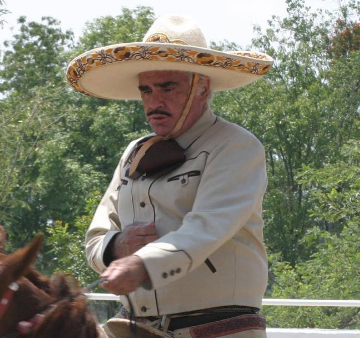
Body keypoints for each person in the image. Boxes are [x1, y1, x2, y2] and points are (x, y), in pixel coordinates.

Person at [66, 15, 274, 338]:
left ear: (202, 88)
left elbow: (204, 228)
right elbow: (96, 238)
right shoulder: (133, 153)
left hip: (217, 331)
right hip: (131, 328)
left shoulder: (236, 147)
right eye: (146, 90)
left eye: (167, 87)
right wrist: (117, 245)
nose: (153, 102)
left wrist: (142, 264)